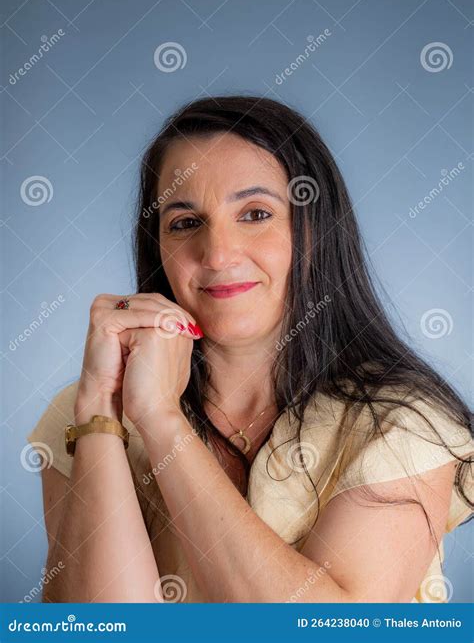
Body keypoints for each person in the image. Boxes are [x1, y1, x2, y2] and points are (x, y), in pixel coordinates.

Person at [26, 95, 473, 603]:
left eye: (255, 213)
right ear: (159, 250)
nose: (217, 254)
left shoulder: (404, 424)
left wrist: (161, 422)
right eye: (185, 223)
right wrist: (101, 412)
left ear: (314, 232)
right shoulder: (84, 416)